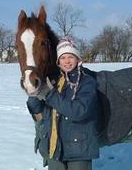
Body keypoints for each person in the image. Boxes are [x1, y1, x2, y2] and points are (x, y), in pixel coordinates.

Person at [27, 36, 100, 170]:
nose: (67, 61)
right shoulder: (53, 81)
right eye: (63, 58)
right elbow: (37, 109)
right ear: (58, 62)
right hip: (55, 148)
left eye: (70, 57)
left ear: (77, 59)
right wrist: (34, 93)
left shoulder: (87, 82)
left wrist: (48, 94)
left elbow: (79, 111)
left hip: (79, 149)